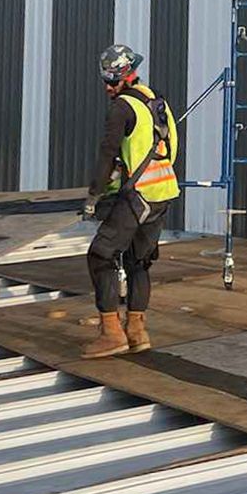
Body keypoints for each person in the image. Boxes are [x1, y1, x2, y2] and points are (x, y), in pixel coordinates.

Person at [80, 44, 181, 358]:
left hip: (138, 196)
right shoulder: (156, 100)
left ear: (122, 77)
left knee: (101, 255)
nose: (108, 88)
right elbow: (171, 146)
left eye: (110, 81)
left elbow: (107, 154)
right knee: (138, 260)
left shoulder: (121, 107)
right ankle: (137, 331)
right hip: (163, 191)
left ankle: (111, 332)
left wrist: (94, 195)